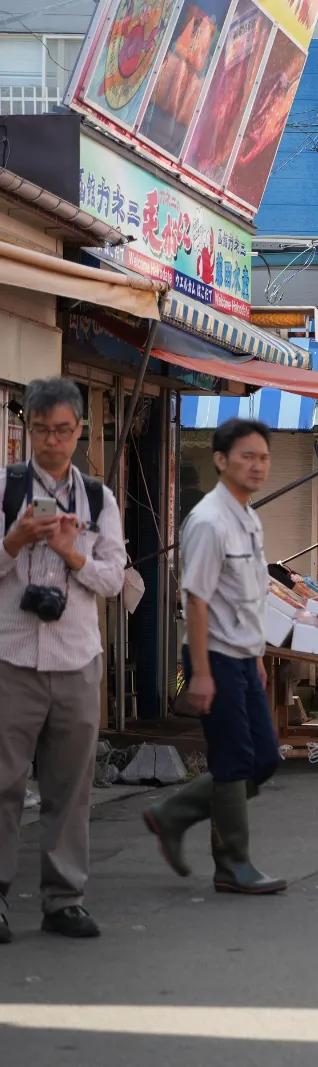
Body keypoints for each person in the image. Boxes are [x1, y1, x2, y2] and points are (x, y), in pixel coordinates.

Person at [0, 378, 126, 942]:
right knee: (1, 784)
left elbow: (114, 578)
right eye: (41, 429)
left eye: (63, 430)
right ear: (27, 429)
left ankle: (64, 899)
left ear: (80, 431)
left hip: (76, 659)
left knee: (71, 787)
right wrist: (16, 540)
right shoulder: (4, 489)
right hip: (11, 657)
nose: (51, 441)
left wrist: (71, 553)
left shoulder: (98, 499)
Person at [145, 417, 285, 895]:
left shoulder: (248, 515)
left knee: (264, 759)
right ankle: (232, 863)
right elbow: (197, 599)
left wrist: (260, 657)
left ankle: (172, 814)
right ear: (220, 460)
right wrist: (199, 674)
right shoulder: (208, 520)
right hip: (215, 658)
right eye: (246, 456)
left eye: (263, 457)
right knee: (233, 761)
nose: (257, 465)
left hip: (244, 657)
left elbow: (247, 597)